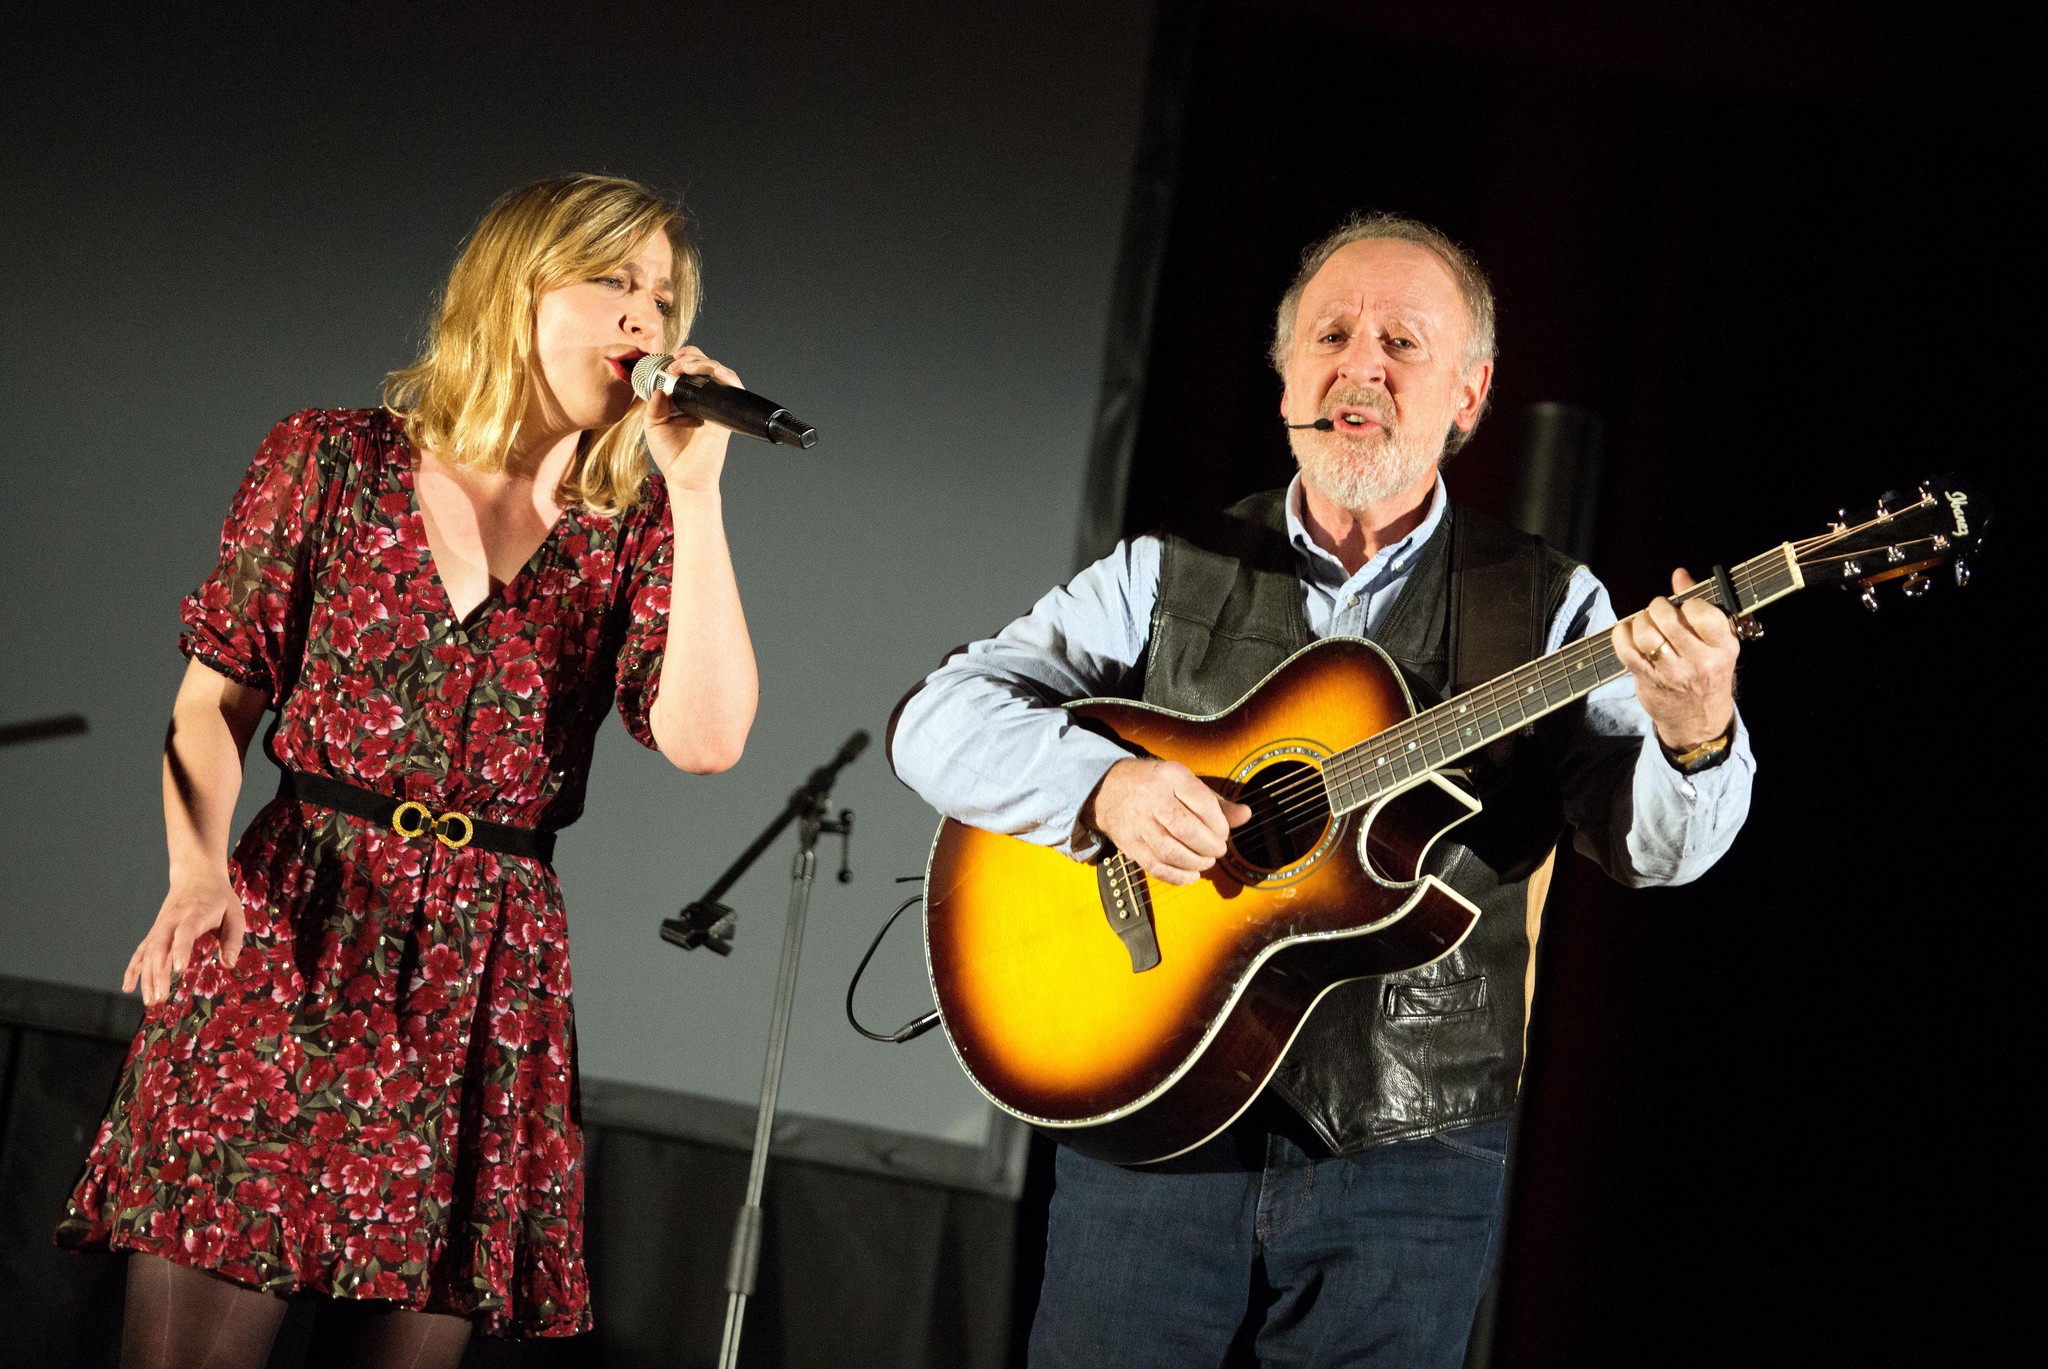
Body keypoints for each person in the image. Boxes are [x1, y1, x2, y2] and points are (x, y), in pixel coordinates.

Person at [890, 214, 1753, 1368]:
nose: (1361, 366)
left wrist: (1697, 734)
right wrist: (1101, 788)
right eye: (1331, 334)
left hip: (1414, 1146)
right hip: (1153, 1112)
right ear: (1286, 371)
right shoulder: (1164, 567)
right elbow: (936, 722)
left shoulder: (1550, 604)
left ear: (1468, 392)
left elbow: (1652, 850)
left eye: (1403, 342)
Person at [56, 174, 758, 1368]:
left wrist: (693, 495)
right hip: (292, 926)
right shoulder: (332, 462)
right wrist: (194, 875)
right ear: (515, 289)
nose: (644, 317)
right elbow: (207, 708)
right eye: (612, 280)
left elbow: (705, 738)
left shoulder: (629, 524)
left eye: (662, 293)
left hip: (487, 963)